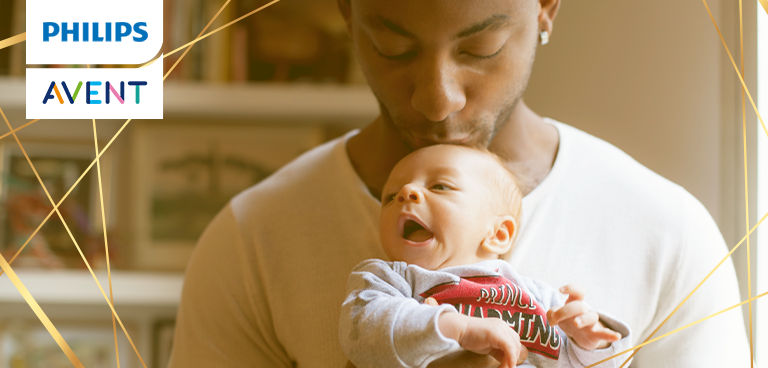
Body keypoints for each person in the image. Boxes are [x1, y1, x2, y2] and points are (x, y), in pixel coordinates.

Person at [167, 0, 750, 367]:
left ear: (546, 7)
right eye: (393, 48)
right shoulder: (252, 242)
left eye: (480, 48)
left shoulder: (670, 235)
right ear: (347, 14)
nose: (437, 98)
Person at [340, 145, 631, 368]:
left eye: (440, 186)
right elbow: (361, 332)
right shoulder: (389, 280)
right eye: (390, 197)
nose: (406, 192)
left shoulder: (539, 298)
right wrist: (458, 328)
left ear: (498, 234)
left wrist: (589, 344)